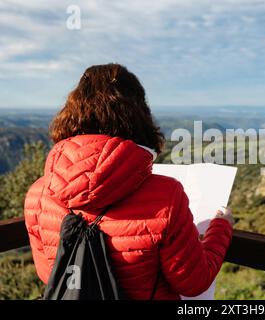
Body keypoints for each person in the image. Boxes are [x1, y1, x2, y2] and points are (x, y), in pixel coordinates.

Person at [23, 63, 234, 300]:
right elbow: (194, 282)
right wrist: (221, 227)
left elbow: (49, 273)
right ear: (138, 115)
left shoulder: (38, 195)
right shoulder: (166, 195)